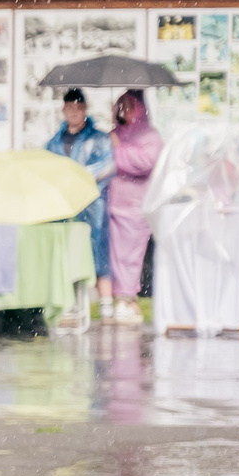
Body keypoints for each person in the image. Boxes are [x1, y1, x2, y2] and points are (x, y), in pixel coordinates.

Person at [44, 88, 115, 313]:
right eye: (69, 108)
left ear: (84, 109)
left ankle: (106, 304)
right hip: (62, 206)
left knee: (98, 251)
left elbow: (108, 166)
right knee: (65, 253)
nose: (73, 112)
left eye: (78, 107)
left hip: (92, 205)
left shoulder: (100, 139)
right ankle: (69, 303)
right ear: (63, 109)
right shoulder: (54, 142)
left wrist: (80, 177)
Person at [104, 88, 163, 325]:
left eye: (129, 107)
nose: (124, 111)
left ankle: (127, 298)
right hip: (114, 203)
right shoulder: (116, 133)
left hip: (136, 207)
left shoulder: (150, 136)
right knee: (114, 255)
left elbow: (146, 162)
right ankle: (120, 299)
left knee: (130, 256)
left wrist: (118, 149)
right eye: (121, 107)